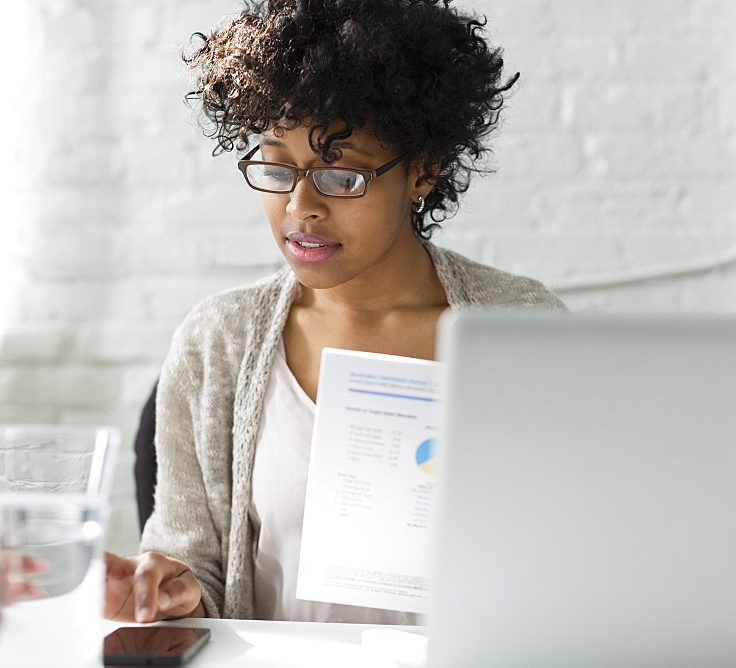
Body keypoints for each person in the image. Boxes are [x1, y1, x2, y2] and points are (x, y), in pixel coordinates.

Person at [104, 0, 566, 625]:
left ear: (424, 172)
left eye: (340, 175)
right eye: (276, 166)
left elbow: (567, 556)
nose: (300, 208)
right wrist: (169, 589)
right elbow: (194, 564)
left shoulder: (523, 328)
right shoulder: (219, 342)